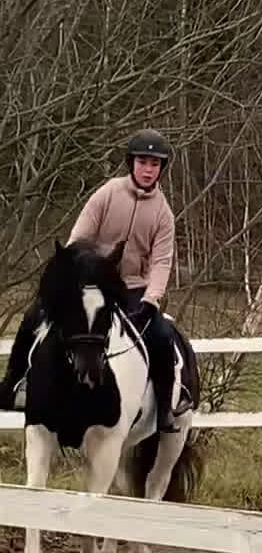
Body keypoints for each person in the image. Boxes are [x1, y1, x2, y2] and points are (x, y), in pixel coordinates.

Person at [0, 129, 180, 432]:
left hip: (133, 288)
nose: (148, 169)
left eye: (155, 164)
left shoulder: (163, 214)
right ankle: (11, 386)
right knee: (33, 318)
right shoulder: (108, 193)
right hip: (92, 285)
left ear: (162, 168)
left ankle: (164, 411)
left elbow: (162, 261)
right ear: (131, 163)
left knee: (162, 335)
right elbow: (79, 238)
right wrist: (77, 275)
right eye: (143, 162)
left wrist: (152, 299)